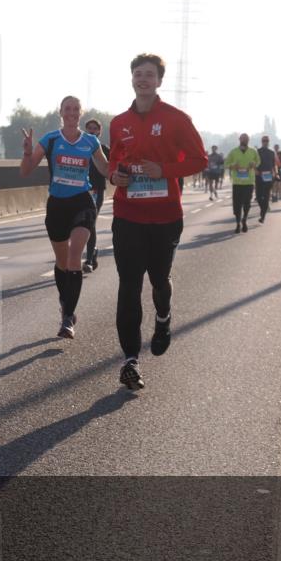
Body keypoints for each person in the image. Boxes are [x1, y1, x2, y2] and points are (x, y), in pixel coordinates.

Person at [108, 54, 207, 390]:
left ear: (159, 81)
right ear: (131, 79)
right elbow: (115, 164)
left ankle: (163, 318)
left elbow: (199, 159)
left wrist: (164, 171)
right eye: (137, 74)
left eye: (149, 75)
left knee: (158, 280)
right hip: (127, 215)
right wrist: (116, 177)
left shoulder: (177, 119)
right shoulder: (118, 122)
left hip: (165, 217)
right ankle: (130, 360)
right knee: (128, 284)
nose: (143, 79)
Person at [20, 97, 109, 338]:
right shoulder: (50, 139)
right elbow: (26, 171)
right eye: (67, 109)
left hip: (82, 201)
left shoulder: (90, 141)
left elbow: (105, 169)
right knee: (61, 261)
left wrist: (124, 169)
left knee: (74, 255)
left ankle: (68, 318)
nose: (71, 113)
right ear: (60, 112)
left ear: (81, 113)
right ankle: (65, 302)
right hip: (57, 205)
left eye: (75, 110)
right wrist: (27, 152)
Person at [82, 116, 109, 273]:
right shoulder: (79, 146)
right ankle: (94, 251)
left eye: (95, 129)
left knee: (90, 223)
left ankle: (90, 259)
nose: (92, 131)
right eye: (89, 128)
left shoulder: (104, 149)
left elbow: (112, 167)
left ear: (99, 131)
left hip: (96, 191)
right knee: (79, 225)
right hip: (80, 190)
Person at [224, 133, 259, 233]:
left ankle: (244, 220)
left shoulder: (253, 151)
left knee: (247, 203)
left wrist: (254, 164)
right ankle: (238, 222)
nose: (244, 140)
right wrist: (232, 166)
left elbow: (258, 161)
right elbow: (226, 164)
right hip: (237, 182)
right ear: (239, 140)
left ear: (249, 140)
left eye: (246, 139)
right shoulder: (234, 152)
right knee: (237, 205)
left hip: (249, 182)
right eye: (243, 139)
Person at [255, 135, 277, 223]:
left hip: (268, 177)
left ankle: (262, 216)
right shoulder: (257, 152)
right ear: (261, 142)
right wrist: (255, 170)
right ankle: (263, 208)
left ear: (269, 142)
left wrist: (275, 173)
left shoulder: (272, 152)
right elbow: (253, 162)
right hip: (259, 176)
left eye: (267, 141)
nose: (265, 142)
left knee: (266, 196)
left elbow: (274, 164)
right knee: (259, 197)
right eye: (264, 141)